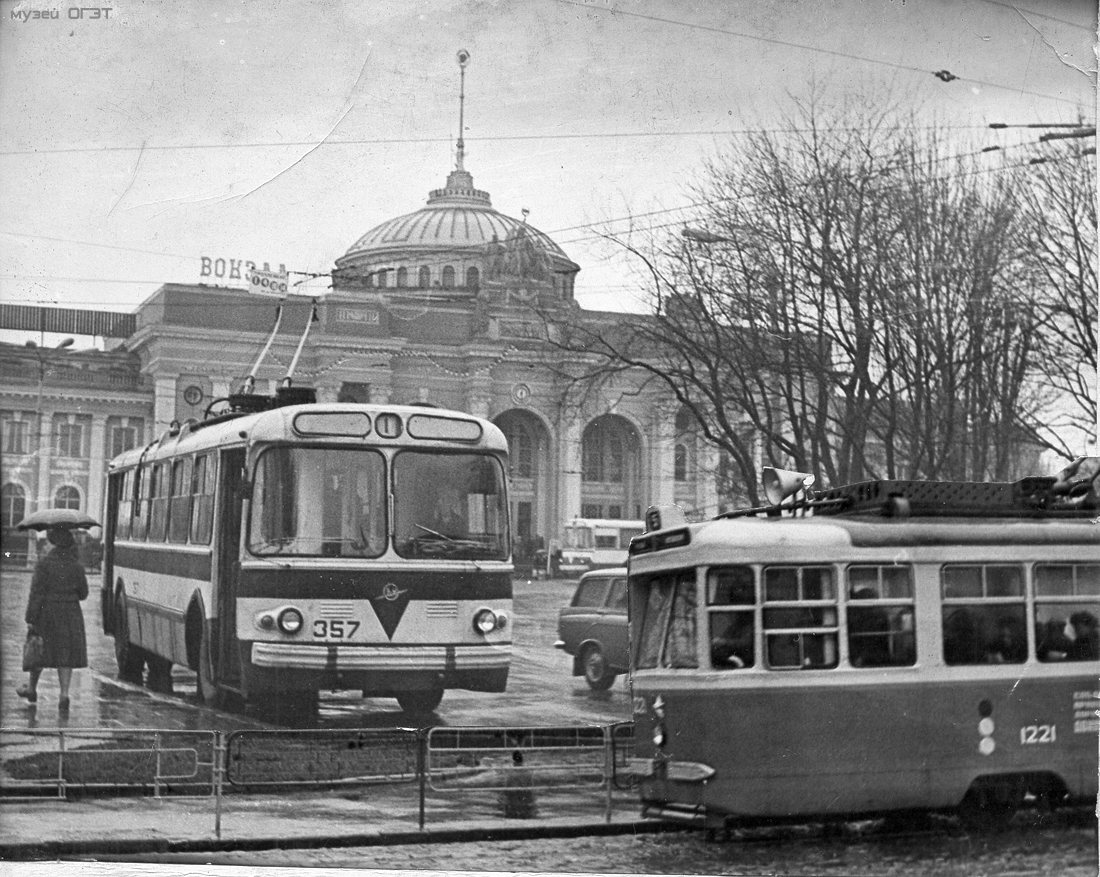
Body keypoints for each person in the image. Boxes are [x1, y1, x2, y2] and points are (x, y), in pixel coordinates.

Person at [17, 527, 89, 710]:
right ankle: (64, 695)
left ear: (52, 541)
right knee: (65, 654)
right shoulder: (76, 566)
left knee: (38, 649)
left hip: (47, 611)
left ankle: (32, 688)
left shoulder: (43, 564)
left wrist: (31, 617)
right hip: (71, 612)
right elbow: (83, 594)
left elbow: (36, 594)